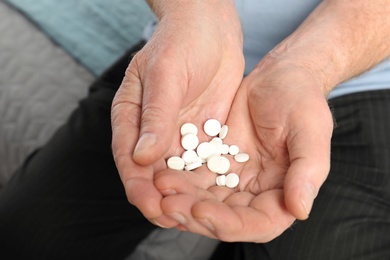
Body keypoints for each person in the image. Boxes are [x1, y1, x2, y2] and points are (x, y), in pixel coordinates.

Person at [0, 0, 389, 259]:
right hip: (185, 62)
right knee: (26, 238)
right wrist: (192, 15)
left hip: (361, 76)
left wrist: (305, 67)